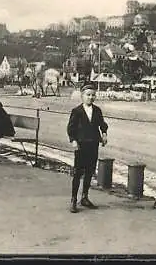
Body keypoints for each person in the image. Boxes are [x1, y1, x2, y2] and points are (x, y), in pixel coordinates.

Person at [66, 82, 108, 213]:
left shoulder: (97, 111)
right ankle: (73, 199)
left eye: (93, 95)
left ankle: (84, 197)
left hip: (93, 144)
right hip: (81, 145)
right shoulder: (77, 111)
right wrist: (73, 140)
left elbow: (102, 124)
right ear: (82, 96)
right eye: (88, 95)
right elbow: (70, 128)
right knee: (78, 172)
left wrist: (104, 134)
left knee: (90, 171)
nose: (91, 97)